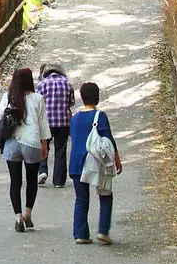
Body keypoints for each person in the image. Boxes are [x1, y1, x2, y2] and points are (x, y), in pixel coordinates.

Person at [69, 82, 122, 244]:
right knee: (106, 194)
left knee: (81, 198)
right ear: (97, 97)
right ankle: (103, 231)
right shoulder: (100, 116)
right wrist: (117, 159)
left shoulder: (75, 118)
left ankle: (81, 234)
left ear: (82, 97)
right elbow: (108, 139)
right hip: (95, 161)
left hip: (76, 162)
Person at [0, 66, 47, 231]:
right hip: (32, 143)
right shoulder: (37, 98)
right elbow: (43, 125)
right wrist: (44, 145)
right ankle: (28, 214)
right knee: (32, 180)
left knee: (15, 182)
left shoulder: (7, 97)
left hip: (12, 143)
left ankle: (18, 218)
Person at [39, 63, 74, 187]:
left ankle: (42, 171)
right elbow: (71, 102)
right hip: (63, 122)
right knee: (60, 149)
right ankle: (59, 181)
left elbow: (38, 102)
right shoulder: (67, 83)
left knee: (43, 146)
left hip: (45, 121)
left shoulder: (42, 84)